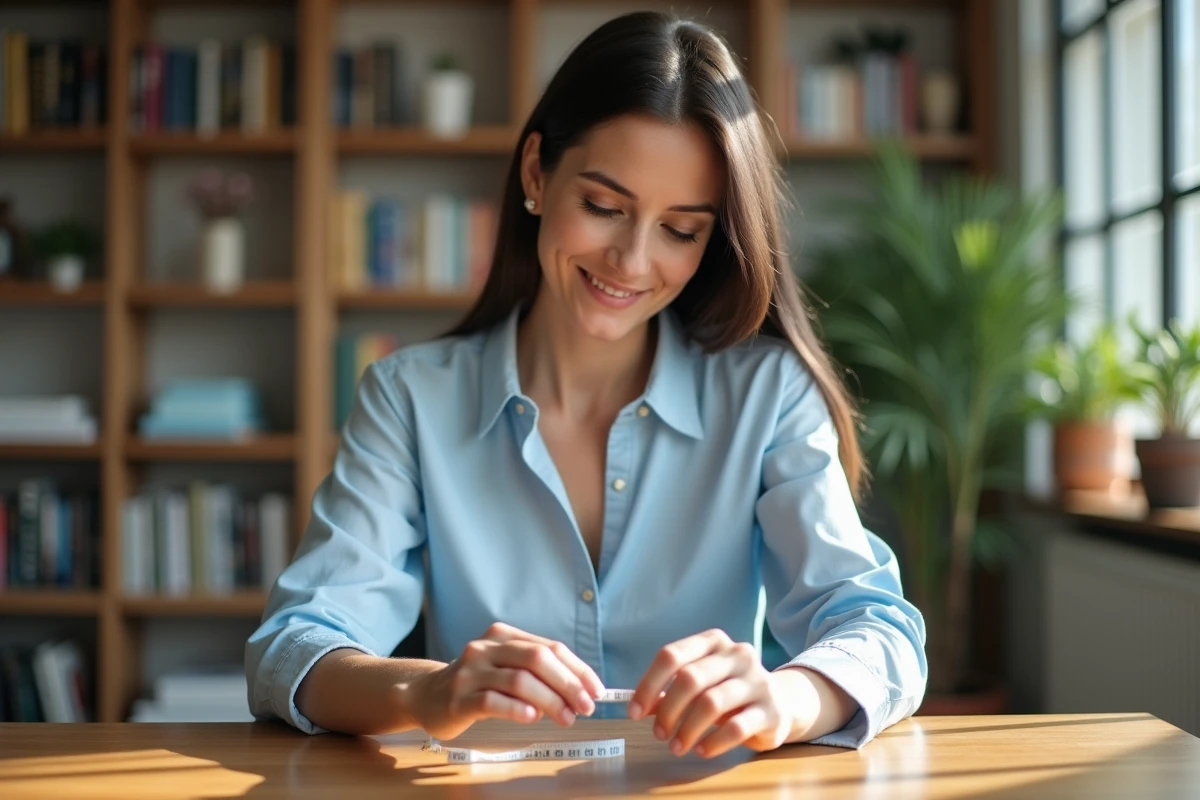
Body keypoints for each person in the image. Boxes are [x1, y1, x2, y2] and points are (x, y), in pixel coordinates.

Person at [246, 10, 926, 757]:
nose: (632, 262)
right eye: (604, 207)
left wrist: (786, 697)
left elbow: (877, 629)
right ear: (537, 173)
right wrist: (427, 691)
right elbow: (293, 647)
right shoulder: (410, 398)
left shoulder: (768, 397)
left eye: (681, 229)